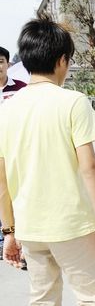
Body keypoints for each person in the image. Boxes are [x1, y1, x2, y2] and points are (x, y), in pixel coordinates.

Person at [0, 14, 95, 304]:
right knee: (93, 297)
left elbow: (1, 179)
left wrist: (9, 231)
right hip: (72, 223)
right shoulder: (73, 101)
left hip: (29, 226)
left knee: (43, 298)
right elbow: (90, 168)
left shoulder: (7, 109)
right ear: (63, 60)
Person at [0, 46, 27, 259]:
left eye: (1, 61)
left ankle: (20, 240)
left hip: (14, 150)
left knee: (15, 194)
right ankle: (4, 240)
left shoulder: (21, 89)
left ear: (8, 64)